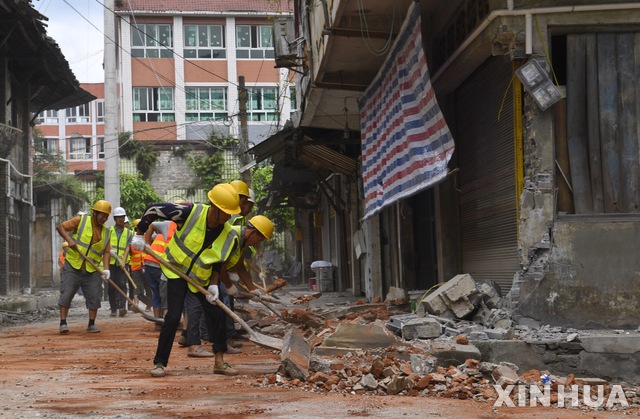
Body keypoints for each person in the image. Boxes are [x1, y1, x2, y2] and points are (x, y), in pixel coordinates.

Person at [131, 183, 241, 378]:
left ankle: (219, 362)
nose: (228, 217)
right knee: (173, 317)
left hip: (201, 278)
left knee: (216, 316)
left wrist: (214, 284)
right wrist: (140, 233)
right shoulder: (189, 212)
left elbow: (218, 261)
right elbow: (153, 210)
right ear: (214, 207)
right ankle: (159, 363)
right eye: (225, 212)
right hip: (176, 272)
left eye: (230, 214)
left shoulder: (228, 234)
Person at [55, 200, 112, 334]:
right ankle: (63, 323)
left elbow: (107, 251)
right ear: (95, 213)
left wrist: (106, 268)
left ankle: (91, 324)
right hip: (73, 265)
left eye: (106, 217)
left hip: (92, 270)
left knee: (94, 296)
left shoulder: (106, 233)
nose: (104, 219)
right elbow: (60, 227)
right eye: (102, 215)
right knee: (67, 293)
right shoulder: (81, 220)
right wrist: (70, 241)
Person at [108, 207, 133, 317]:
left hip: (123, 263)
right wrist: (110, 251)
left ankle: (122, 307)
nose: (120, 219)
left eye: (122, 217)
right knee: (111, 286)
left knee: (122, 284)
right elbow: (106, 245)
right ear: (115, 218)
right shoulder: (109, 231)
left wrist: (123, 261)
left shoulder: (129, 233)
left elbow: (128, 247)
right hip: (111, 262)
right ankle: (113, 308)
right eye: (118, 217)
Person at [127, 219, 152, 310]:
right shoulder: (132, 239)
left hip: (146, 266)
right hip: (135, 267)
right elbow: (128, 251)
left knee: (148, 286)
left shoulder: (147, 238)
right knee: (136, 286)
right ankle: (136, 304)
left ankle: (149, 305)